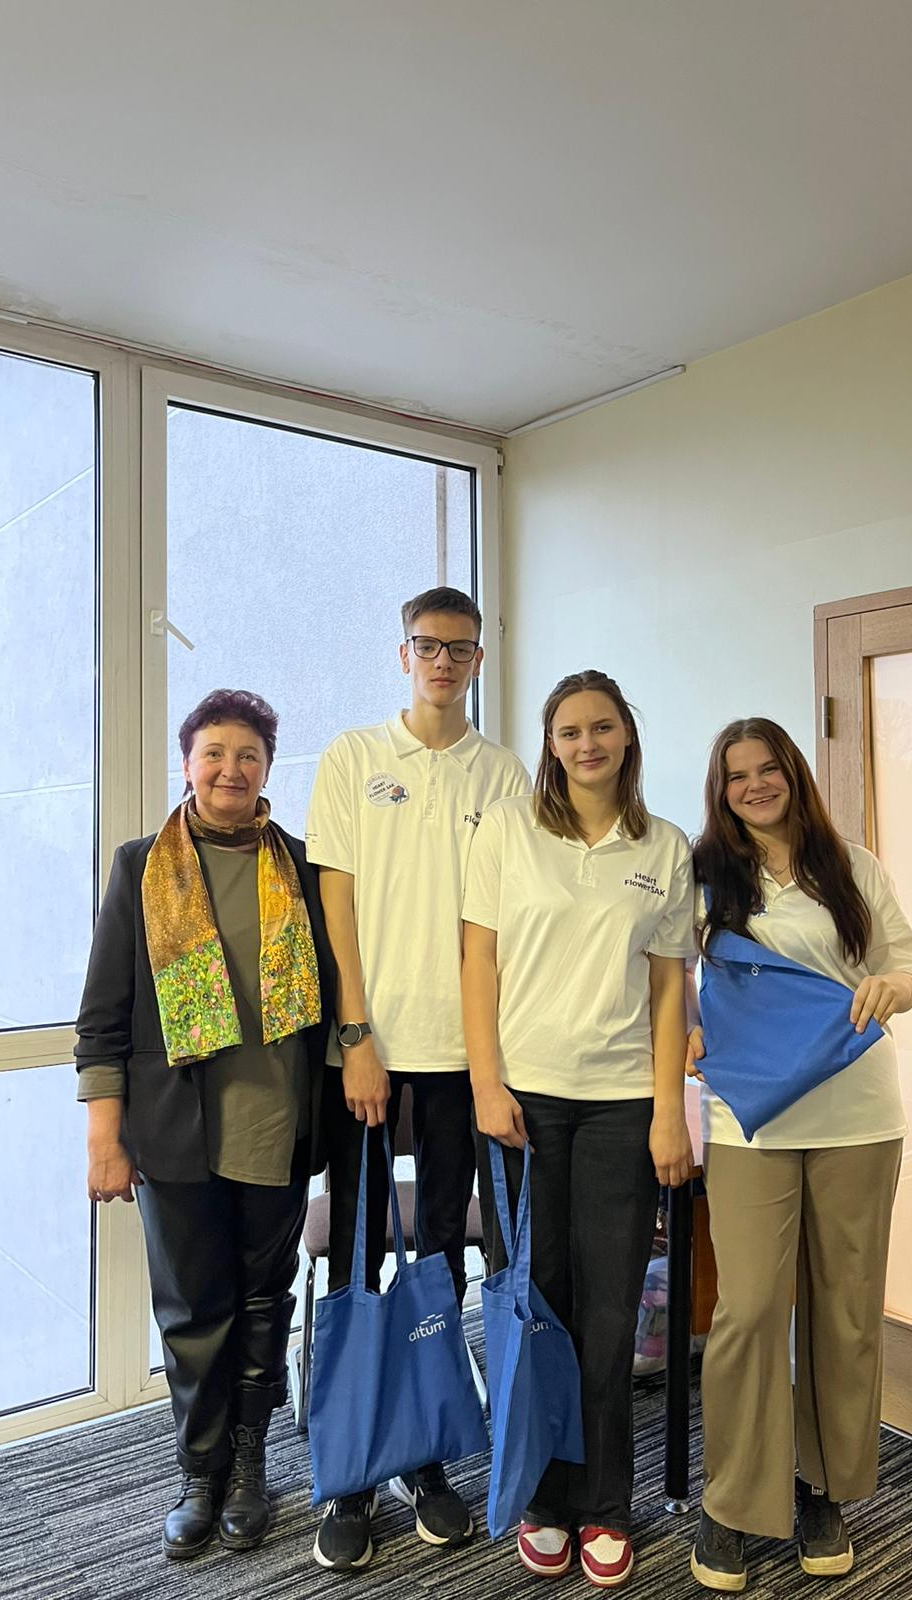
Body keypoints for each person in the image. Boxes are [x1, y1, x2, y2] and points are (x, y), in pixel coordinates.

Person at [76, 689, 335, 1561]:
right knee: (192, 1310)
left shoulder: (303, 868)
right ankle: (200, 1472)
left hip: (275, 1120)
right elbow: (103, 1018)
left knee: (263, 1301)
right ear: (187, 762)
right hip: (174, 1126)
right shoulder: (140, 867)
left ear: (268, 769)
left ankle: (252, 1465)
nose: (231, 769)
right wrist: (105, 1138)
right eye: (215, 752)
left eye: (249, 755)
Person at [304, 585, 530, 1571]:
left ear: (478, 660)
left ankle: (425, 1454)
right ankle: (351, 1470)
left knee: (439, 1257)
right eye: (427, 646)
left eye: (459, 649)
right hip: (370, 1052)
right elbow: (336, 904)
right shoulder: (354, 758)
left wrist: (493, 1061)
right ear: (403, 654)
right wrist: (356, 1034)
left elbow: (512, 917)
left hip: (461, 1057)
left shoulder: (504, 773)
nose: (443, 662)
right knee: (357, 1262)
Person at [462, 669, 695, 1589]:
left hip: (622, 1105)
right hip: (523, 1102)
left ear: (626, 736)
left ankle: (605, 1504)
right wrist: (485, 1083)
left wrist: (668, 1110)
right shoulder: (507, 831)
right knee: (538, 1303)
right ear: (550, 744)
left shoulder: (663, 846)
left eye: (601, 728)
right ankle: (543, 1497)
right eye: (569, 731)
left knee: (608, 1312)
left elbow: (670, 986)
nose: (586, 744)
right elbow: (478, 962)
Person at [686, 717, 912, 1592]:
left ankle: (822, 1489)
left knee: (846, 1310)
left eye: (768, 769)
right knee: (749, 1308)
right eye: (737, 775)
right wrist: (684, 1033)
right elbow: (661, 974)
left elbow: (909, 967)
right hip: (749, 1121)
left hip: (858, 1114)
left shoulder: (852, 866)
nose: (755, 785)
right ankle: (731, 1501)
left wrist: (890, 986)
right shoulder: (702, 874)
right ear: (721, 789)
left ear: (793, 772)